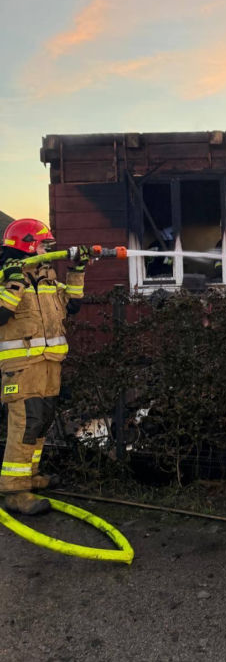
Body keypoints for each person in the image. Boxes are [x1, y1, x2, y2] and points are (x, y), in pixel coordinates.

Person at [0, 219, 89, 515]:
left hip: (50, 362)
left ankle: (30, 476)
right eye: (43, 245)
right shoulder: (5, 277)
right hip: (23, 366)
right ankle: (14, 491)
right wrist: (13, 283)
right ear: (27, 245)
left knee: (42, 422)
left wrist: (77, 270)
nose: (48, 250)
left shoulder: (47, 278)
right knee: (25, 424)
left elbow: (72, 304)